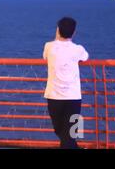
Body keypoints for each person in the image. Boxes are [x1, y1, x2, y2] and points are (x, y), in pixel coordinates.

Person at [43, 17, 89, 149]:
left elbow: (45, 56)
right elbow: (86, 57)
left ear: (57, 30)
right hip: (74, 98)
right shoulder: (78, 49)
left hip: (53, 97)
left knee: (60, 131)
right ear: (74, 32)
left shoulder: (48, 46)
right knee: (71, 133)